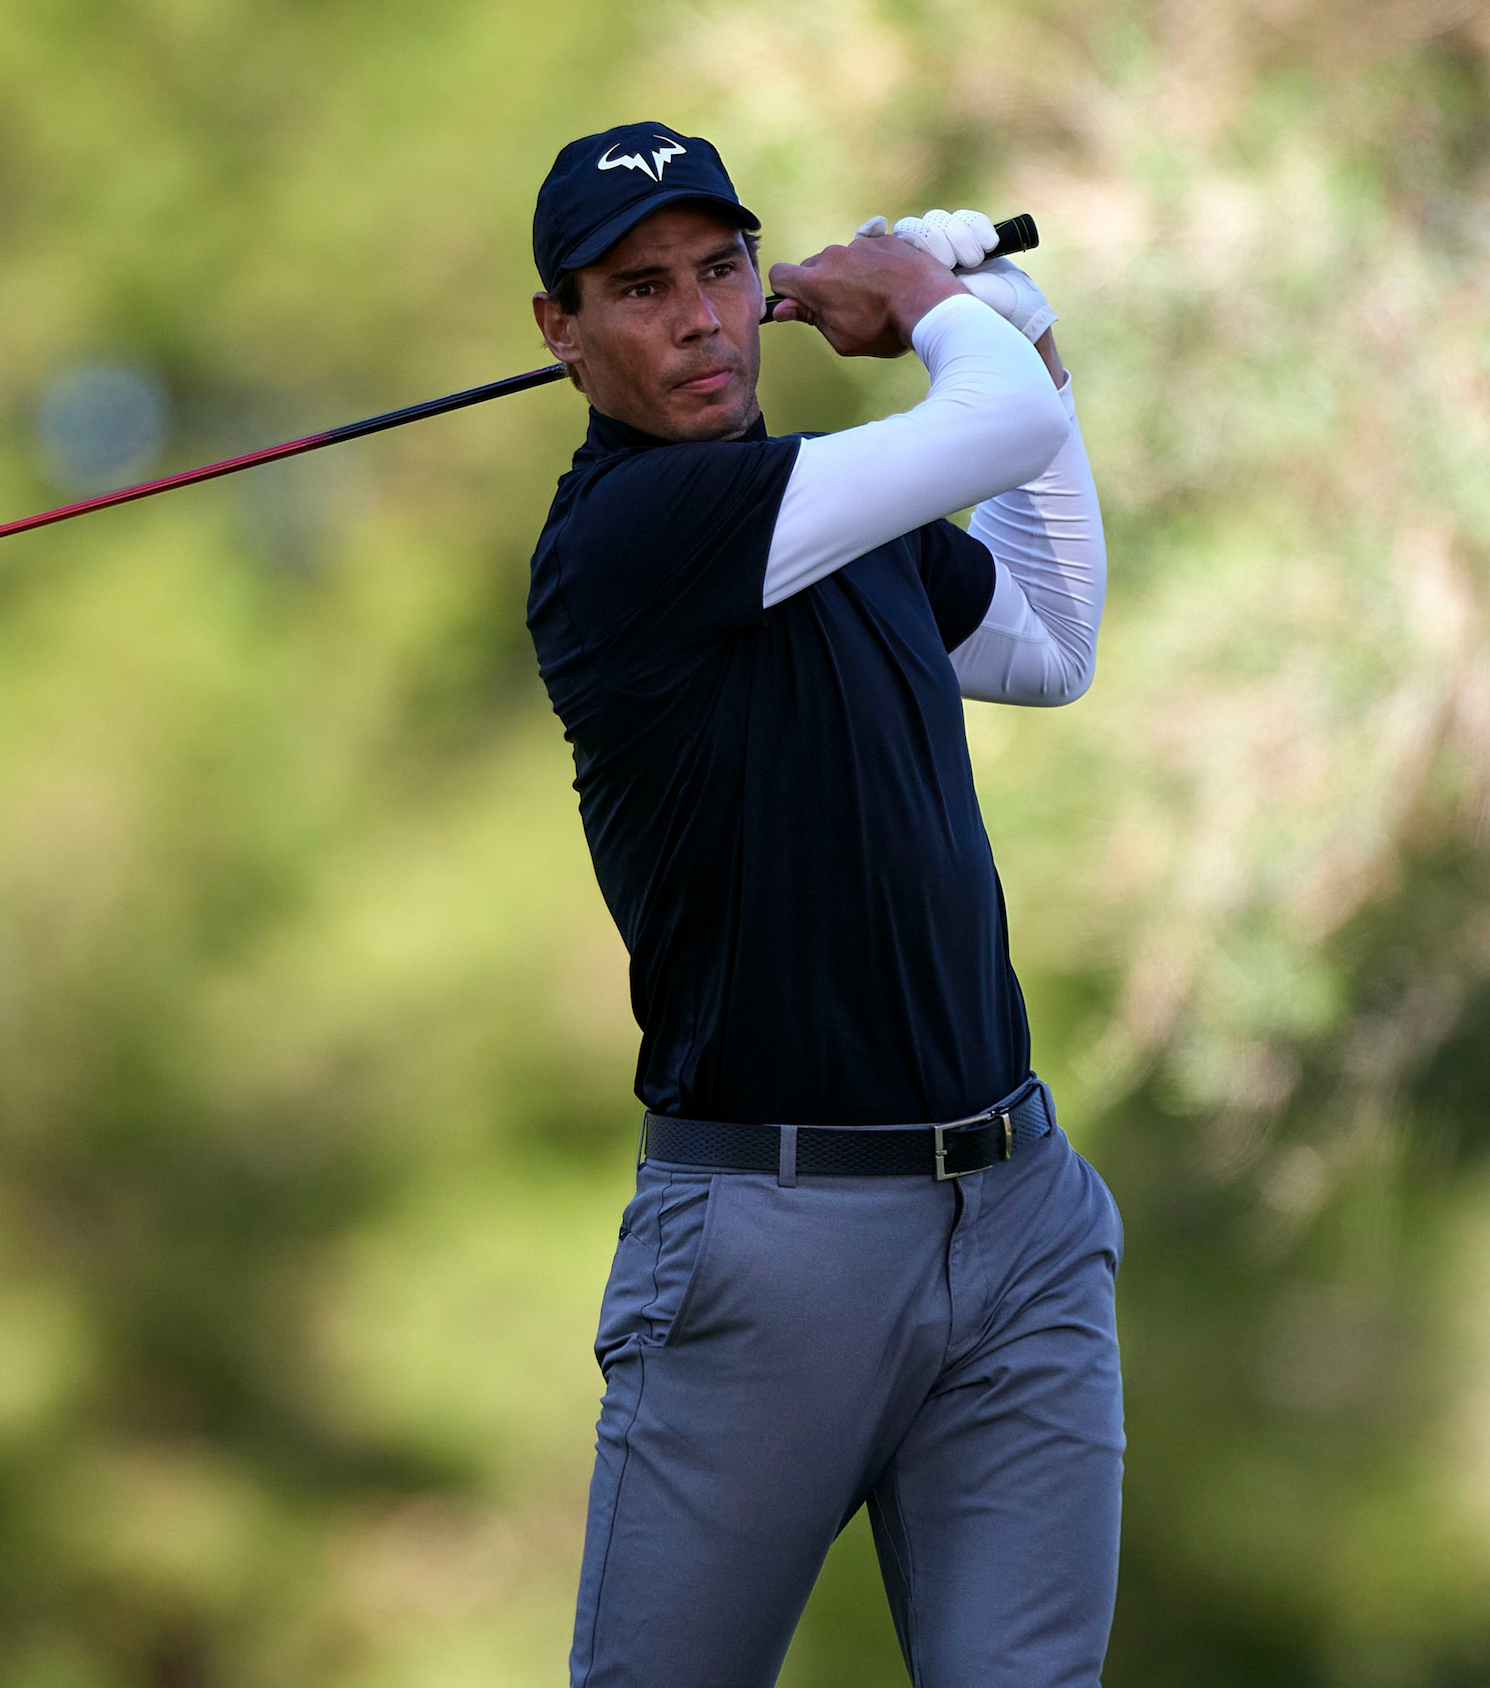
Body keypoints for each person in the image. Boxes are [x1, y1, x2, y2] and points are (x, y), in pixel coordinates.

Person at [522, 122, 1119, 1684]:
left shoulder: (831, 517)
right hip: (769, 1247)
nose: (701, 319)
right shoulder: (634, 537)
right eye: (640, 291)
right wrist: (937, 301)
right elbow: (974, 425)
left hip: (1019, 1216)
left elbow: (1048, 637)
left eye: (722, 271)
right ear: (560, 332)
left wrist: (1024, 336)